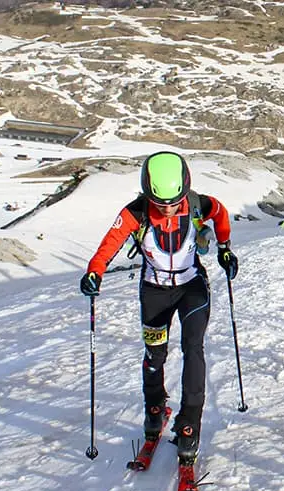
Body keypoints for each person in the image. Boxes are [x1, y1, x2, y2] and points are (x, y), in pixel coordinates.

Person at [79, 151, 237, 463]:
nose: (167, 208)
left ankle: (190, 424)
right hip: (154, 291)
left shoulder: (197, 204)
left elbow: (220, 214)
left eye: (173, 202)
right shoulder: (135, 212)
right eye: (160, 202)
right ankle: (154, 410)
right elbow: (109, 244)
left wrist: (225, 249)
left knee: (194, 349)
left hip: (192, 287)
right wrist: (94, 272)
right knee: (155, 354)